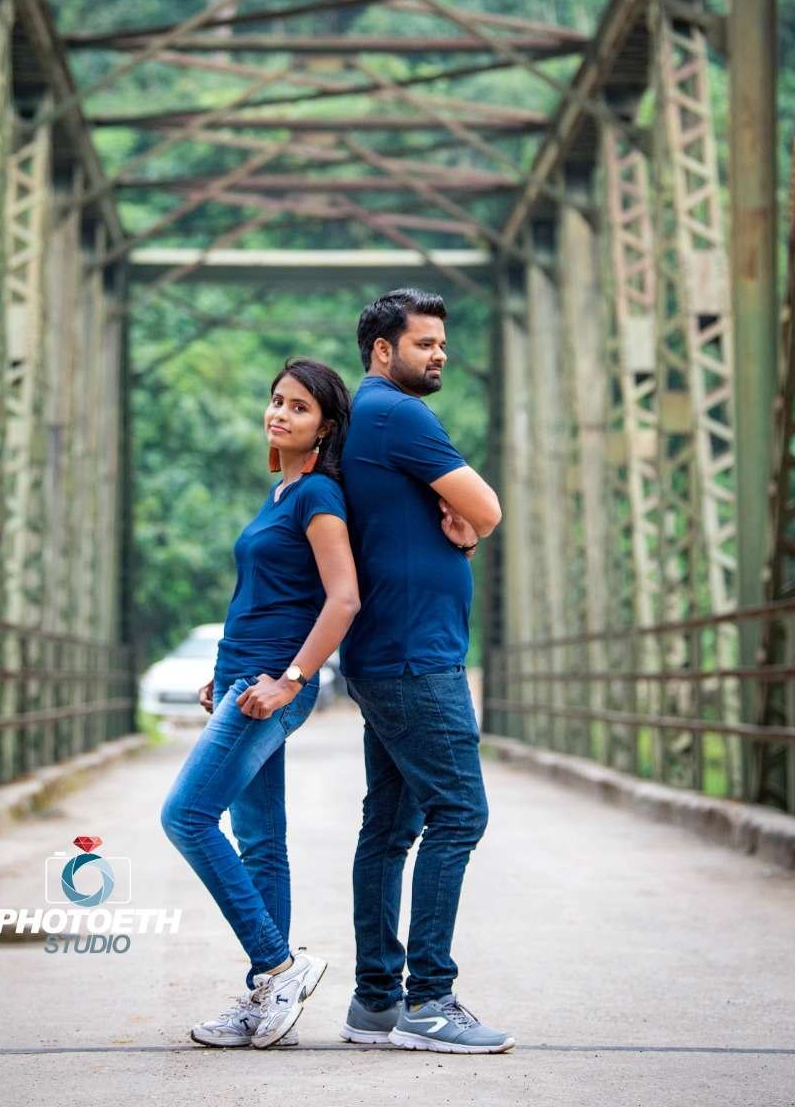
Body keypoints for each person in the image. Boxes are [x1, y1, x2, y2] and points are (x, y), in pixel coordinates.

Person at [159, 357, 360, 1050]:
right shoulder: (280, 494)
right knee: (261, 842)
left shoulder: (318, 496)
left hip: (270, 684)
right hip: (241, 679)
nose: (280, 413)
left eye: (299, 407)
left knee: (186, 816)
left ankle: (279, 965)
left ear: (325, 427)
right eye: (277, 400)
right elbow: (261, 599)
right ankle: (266, 996)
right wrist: (220, 677)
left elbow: (343, 599)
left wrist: (292, 680)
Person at [337, 288, 514, 1054]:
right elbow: (487, 507)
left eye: (443, 343)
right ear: (383, 350)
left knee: (389, 828)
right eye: (424, 343)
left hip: (387, 652)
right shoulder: (398, 415)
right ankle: (430, 1001)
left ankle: (376, 1001)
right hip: (415, 657)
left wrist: (460, 534)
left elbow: (437, 524)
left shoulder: (361, 419)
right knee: (459, 813)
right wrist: (472, 527)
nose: (440, 354)